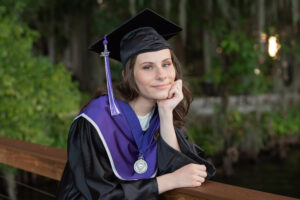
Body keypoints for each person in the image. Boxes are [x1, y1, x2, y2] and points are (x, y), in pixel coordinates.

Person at [57, 8, 215, 200]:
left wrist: (166, 113)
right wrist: (168, 182)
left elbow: (187, 171)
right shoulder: (95, 120)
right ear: (127, 75)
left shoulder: (160, 112)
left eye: (166, 64)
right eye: (148, 67)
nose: (162, 75)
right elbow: (100, 195)